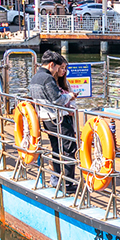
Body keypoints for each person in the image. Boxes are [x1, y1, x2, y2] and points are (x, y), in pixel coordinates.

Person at [29, 50, 78, 191]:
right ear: (51, 64)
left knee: (56, 148)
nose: (58, 70)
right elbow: (57, 99)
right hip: (58, 118)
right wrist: (69, 96)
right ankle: (68, 183)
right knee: (69, 148)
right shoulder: (47, 78)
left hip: (46, 118)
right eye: (57, 67)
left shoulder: (35, 78)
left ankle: (58, 179)